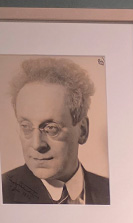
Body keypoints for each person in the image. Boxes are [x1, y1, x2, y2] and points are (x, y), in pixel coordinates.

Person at [2, 57, 110, 205]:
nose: (36, 144)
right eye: (26, 126)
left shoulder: (110, 192)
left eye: (51, 128)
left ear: (82, 130)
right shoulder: (4, 191)